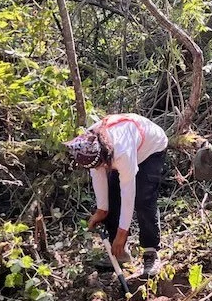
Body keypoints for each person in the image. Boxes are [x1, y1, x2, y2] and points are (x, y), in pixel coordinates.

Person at [64, 112, 170, 278]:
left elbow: (128, 193)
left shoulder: (122, 152)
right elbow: (97, 174)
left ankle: (151, 252)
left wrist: (123, 232)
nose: (101, 168)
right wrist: (102, 210)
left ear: (106, 155)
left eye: (102, 165)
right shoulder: (88, 143)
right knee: (111, 197)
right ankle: (120, 254)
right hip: (125, 149)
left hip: (151, 149)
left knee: (143, 199)